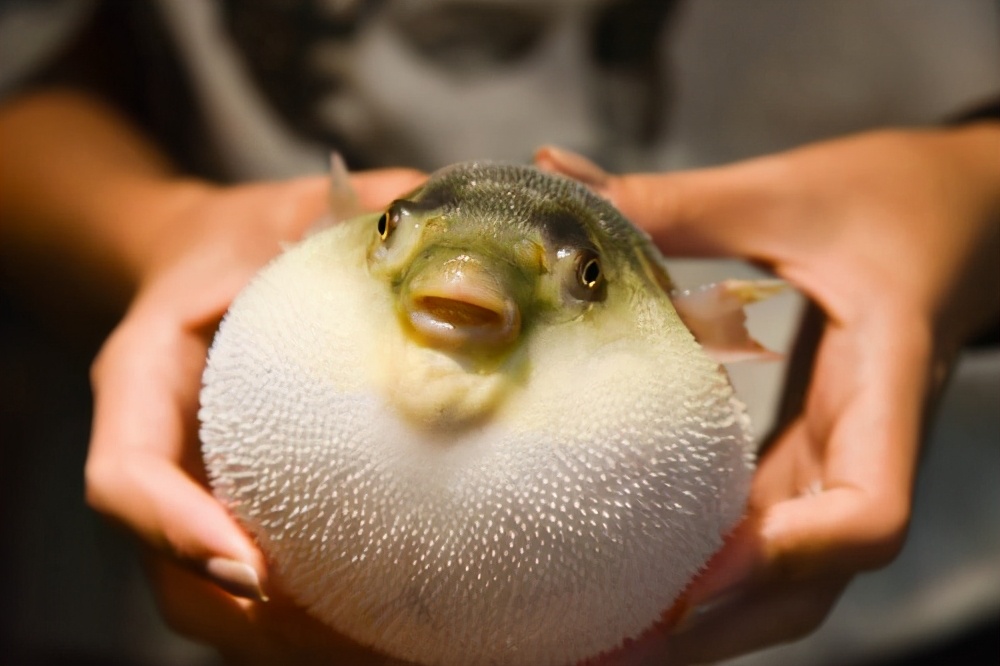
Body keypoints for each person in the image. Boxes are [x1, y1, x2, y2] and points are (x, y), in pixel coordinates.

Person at [1, 2, 998, 664]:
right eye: (393, 236)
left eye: (581, 277)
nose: (471, 284)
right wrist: (152, 231)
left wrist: (969, 198)